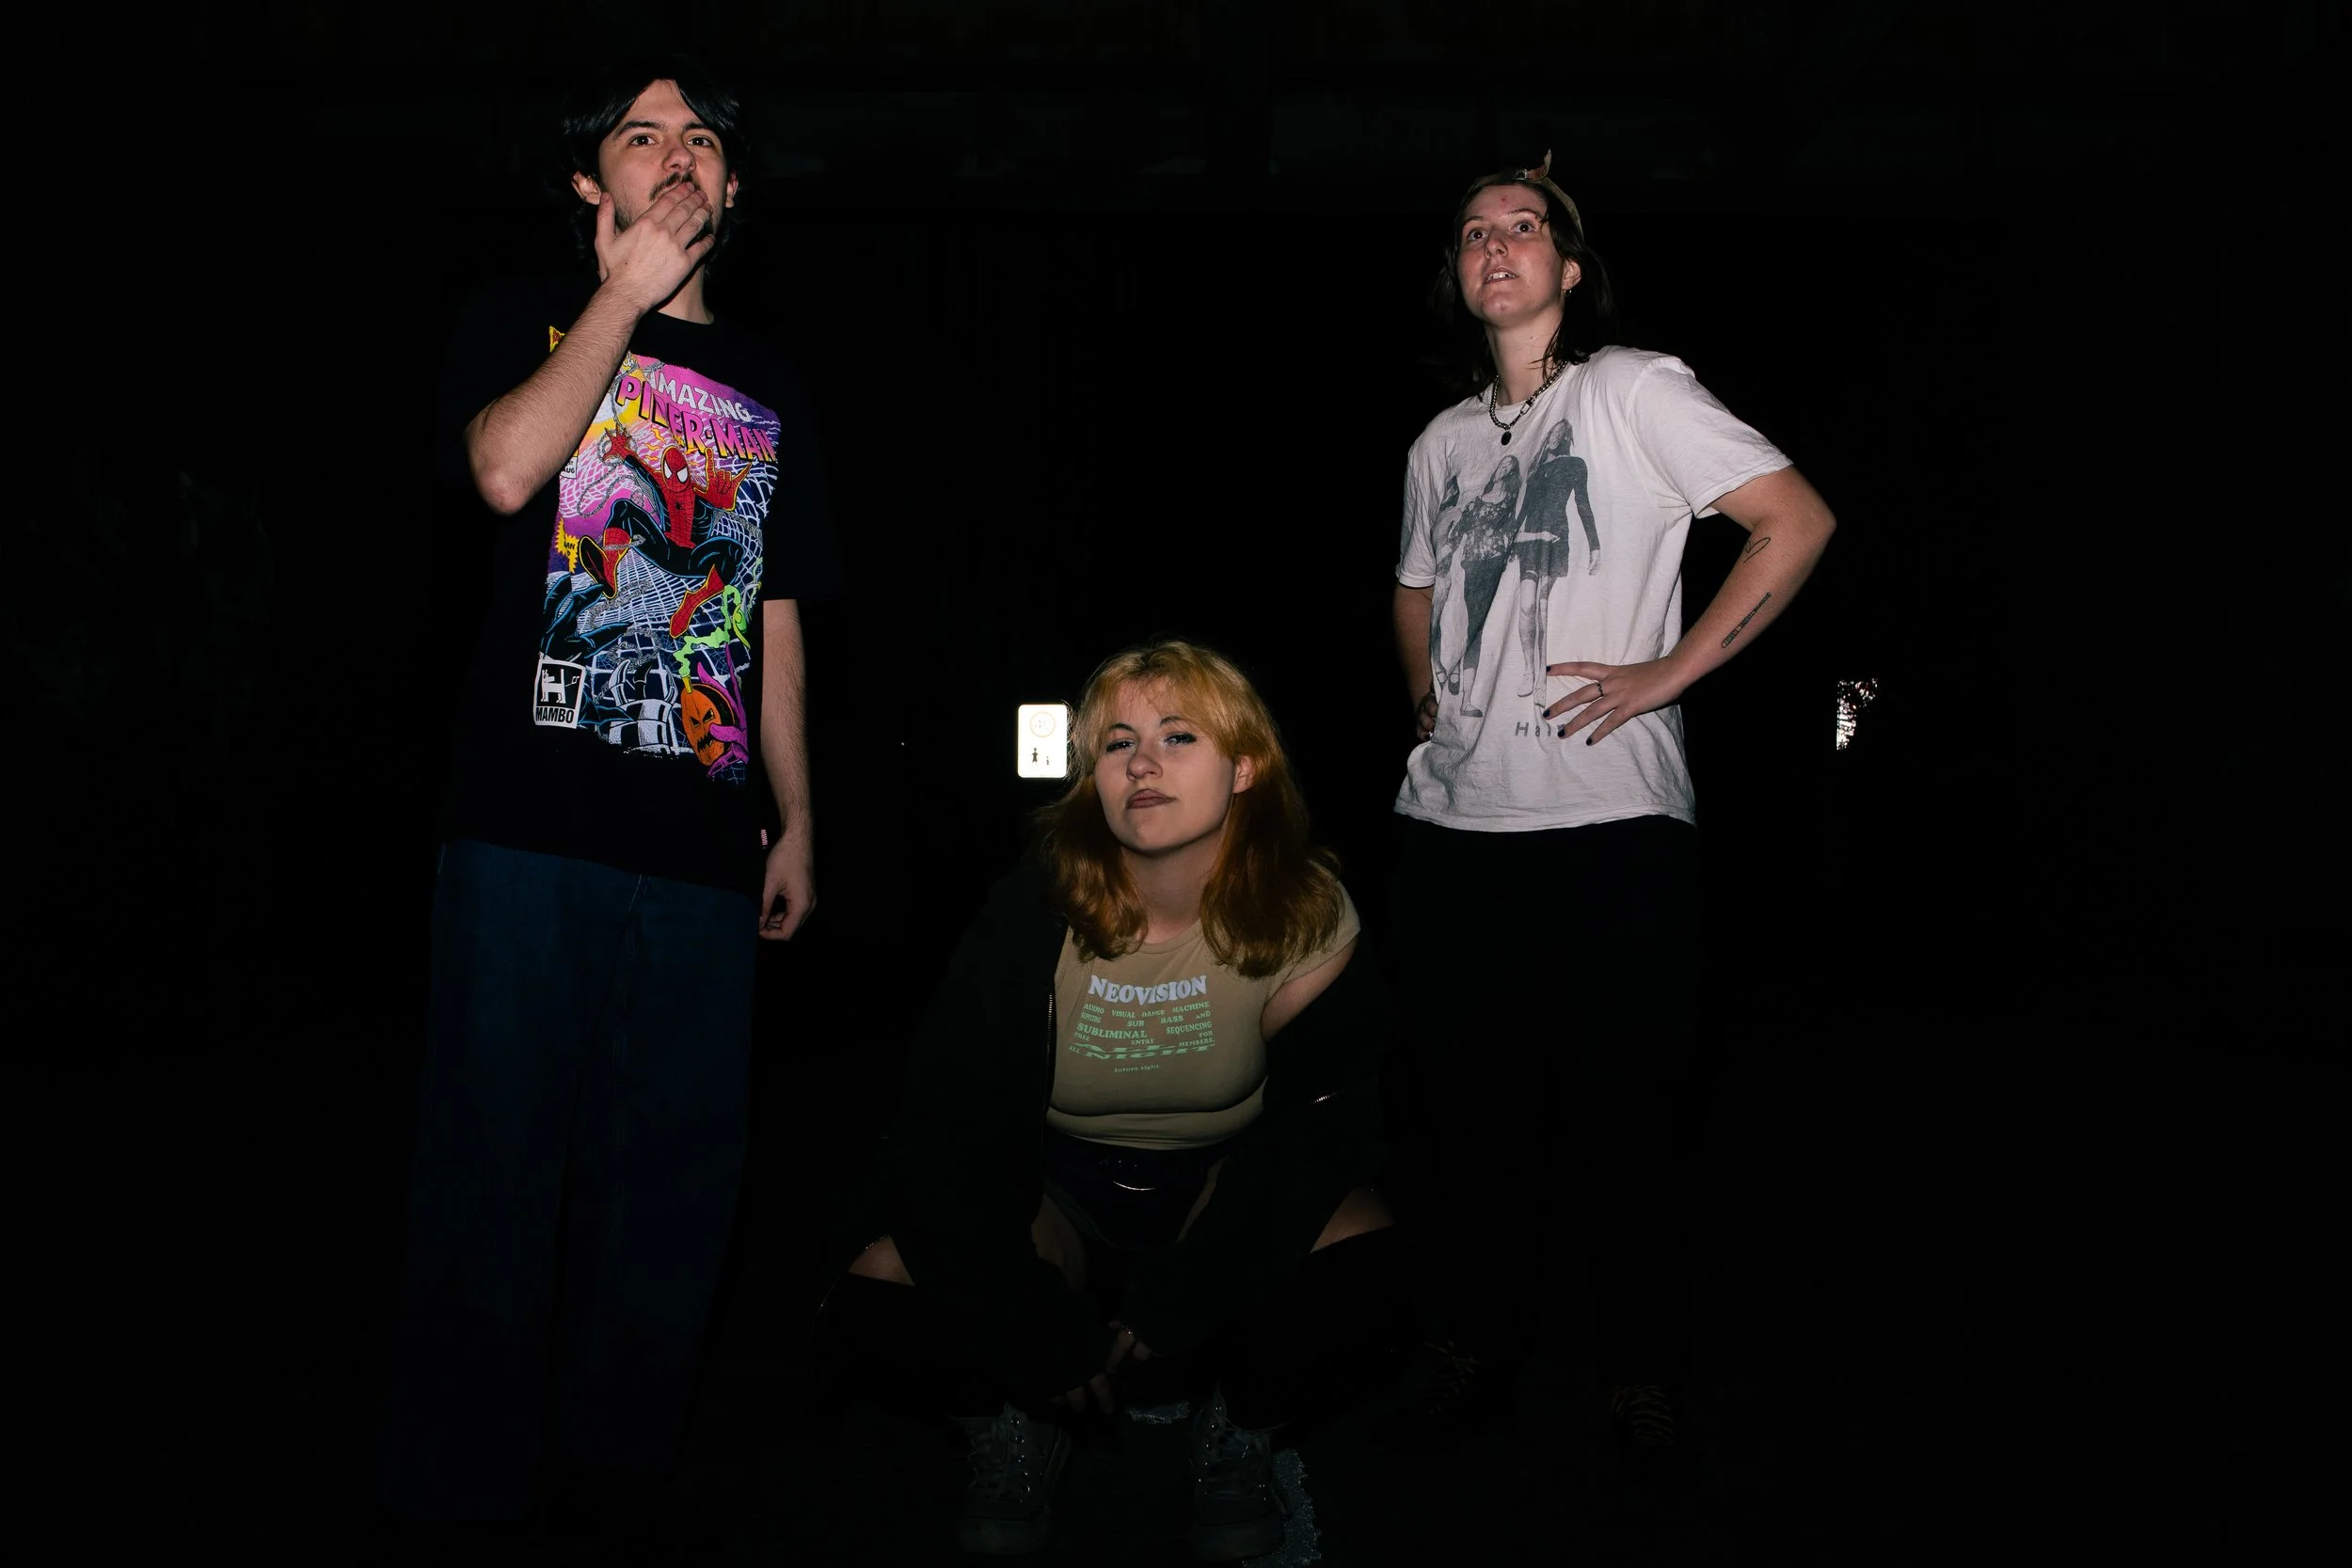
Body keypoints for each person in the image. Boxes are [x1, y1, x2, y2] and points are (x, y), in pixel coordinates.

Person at [379, 53, 842, 1557]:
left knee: (673, 1196)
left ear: (732, 186)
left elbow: (773, 614)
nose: (678, 154)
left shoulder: (772, 386)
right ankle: (462, 1498)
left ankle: (619, 1490)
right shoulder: (523, 327)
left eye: (703, 136)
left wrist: (800, 817)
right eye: (642, 137)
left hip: (703, 852)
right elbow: (510, 472)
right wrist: (621, 304)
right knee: (492, 1180)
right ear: (596, 185)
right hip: (523, 828)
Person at [1388, 153, 1836, 1482]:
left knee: (1627, 1123)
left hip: (1611, 826)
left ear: (1568, 271)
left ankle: (1642, 1376)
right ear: (1459, 274)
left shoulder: (1636, 387)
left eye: (1523, 226)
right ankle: (1478, 1351)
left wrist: (1668, 674)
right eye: (1474, 230)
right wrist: (1423, 689)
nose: (1496, 243)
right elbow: (1411, 584)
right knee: (1472, 1120)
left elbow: (1793, 520)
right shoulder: (1442, 442)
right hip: (1451, 830)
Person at [822, 641, 1402, 1560]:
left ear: (1243, 764)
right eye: (1116, 741)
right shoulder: (1033, 905)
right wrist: (1024, 1330)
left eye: (1179, 735)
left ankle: (1242, 1424)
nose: (1141, 761)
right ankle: (1015, 1425)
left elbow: (1325, 1132)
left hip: (1218, 1180)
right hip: (1056, 1186)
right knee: (876, 1281)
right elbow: (941, 1126)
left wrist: (1191, 1294)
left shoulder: (1305, 907)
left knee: (1367, 1252)